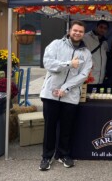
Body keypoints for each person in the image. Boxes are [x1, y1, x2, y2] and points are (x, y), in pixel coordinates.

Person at [39, 20, 92, 171]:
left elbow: (83, 75)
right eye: (75, 30)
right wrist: (68, 63)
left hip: (70, 95)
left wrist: (65, 88)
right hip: (51, 93)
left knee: (67, 128)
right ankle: (46, 157)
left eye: (81, 31)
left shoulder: (86, 53)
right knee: (50, 128)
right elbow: (48, 63)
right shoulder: (56, 44)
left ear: (83, 34)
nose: (77, 33)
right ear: (70, 30)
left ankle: (63, 154)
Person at [83, 20, 109, 89]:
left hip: (101, 80)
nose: (102, 29)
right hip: (88, 79)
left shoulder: (105, 43)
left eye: (105, 28)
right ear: (96, 27)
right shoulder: (85, 38)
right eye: (101, 27)